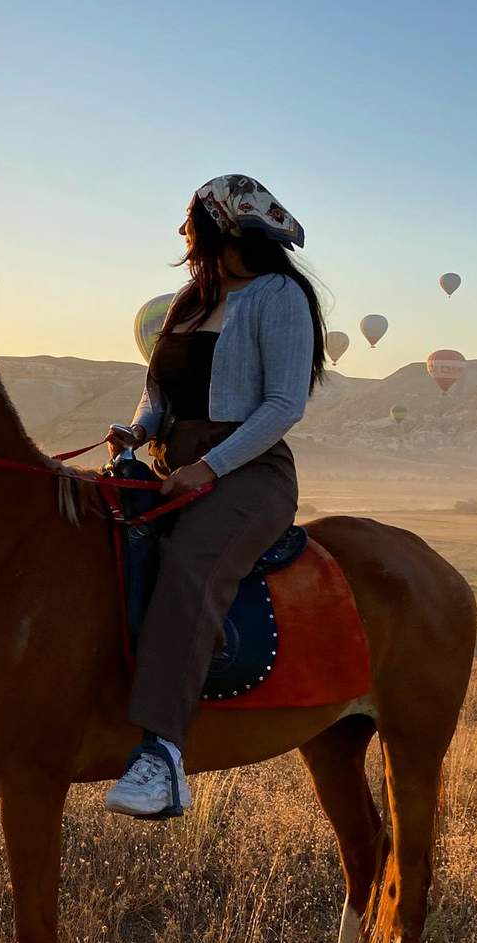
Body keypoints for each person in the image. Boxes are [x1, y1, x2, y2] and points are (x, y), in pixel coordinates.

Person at [104, 175, 327, 819]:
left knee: (192, 563)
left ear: (224, 226)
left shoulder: (278, 296)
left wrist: (211, 467)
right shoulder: (188, 300)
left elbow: (283, 406)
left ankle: (162, 753)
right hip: (173, 460)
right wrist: (138, 429)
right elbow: (159, 391)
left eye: (192, 218)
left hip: (250, 473)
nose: (183, 232)